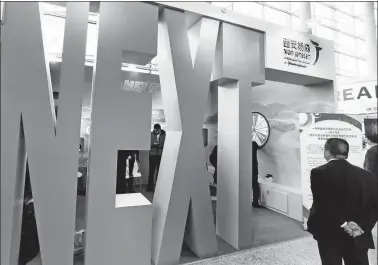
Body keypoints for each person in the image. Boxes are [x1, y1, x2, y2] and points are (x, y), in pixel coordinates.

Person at [307, 138, 378, 265]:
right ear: (346, 153)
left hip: (329, 232)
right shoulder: (367, 176)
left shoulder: (319, 173)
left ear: (327, 152)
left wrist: (344, 224)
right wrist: (362, 226)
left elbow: (323, 204)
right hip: (358, 233)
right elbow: (374, 206)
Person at [147, 124, 166, 192]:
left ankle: (158, 188)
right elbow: (147, 144)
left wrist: (161, 146)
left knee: (159, 172)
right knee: (151, 172)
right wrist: (153, 145)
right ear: (154, 129)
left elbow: (166, 144)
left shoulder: (164, 135)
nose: (157, 131)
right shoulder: (151, 135)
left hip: (160, 155)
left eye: (159, 130)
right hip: (152, 154)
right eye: (156, 130)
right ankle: (150, 188)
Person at [252, 141, 262, 208]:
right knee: (255, 186)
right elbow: (259, 146)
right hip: (254, 169)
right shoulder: (254, 143)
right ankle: (255, 202)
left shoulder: (243, 145)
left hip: (245, 169)